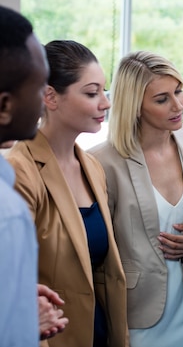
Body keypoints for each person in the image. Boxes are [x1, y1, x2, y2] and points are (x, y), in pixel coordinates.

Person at [7, 39, 128, 347]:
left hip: (98, 332)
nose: (106, 102)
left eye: (104, 90)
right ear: (50, 97)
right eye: (92, 93)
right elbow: (12, 280)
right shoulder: (20, 171)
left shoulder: (92, 166)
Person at [89, 51, 183, 347]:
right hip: (134, 312)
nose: (178, 105)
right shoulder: (102, 161)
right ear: (135, 106)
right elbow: (100, 247)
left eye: (178, 91)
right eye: (162, 99)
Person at [0, 5, 67, 345]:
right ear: (4, 106)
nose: (45, 101)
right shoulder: (7, 213)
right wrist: (19, 318)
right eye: (40, 87)